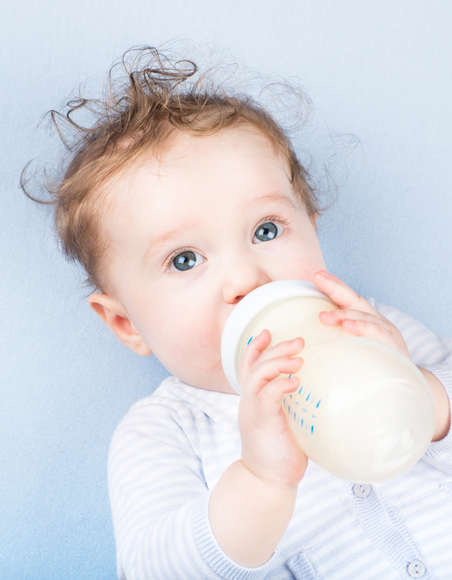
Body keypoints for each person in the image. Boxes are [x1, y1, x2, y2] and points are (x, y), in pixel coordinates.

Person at [23, 47, 452, 579]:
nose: (246, 278)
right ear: (126, 323)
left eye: (266, 230)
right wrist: (259, 481)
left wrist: (425, 396)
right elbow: (156, 569)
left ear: (313, 229)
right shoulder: (165, 432)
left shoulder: (369, 329)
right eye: (185, 260)